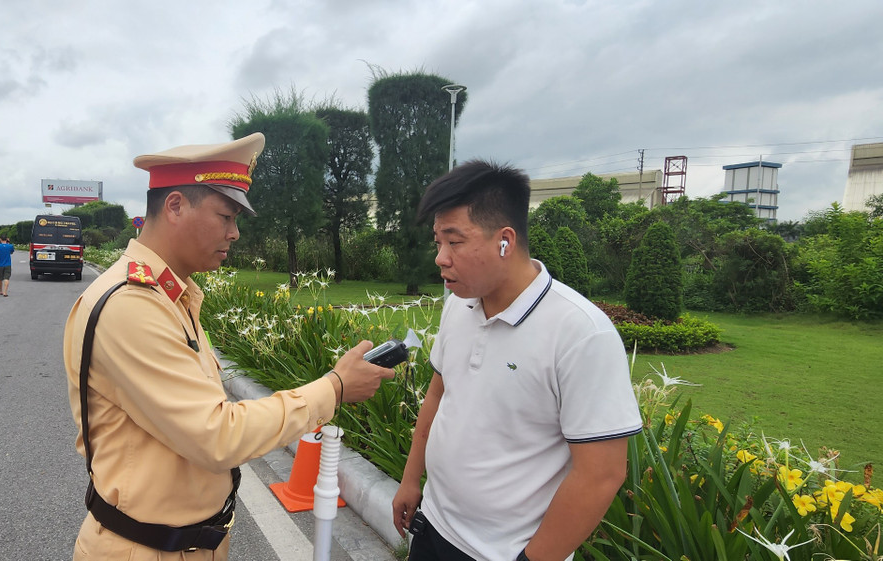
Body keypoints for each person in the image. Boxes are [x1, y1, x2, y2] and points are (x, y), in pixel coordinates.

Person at [63, 132, 395, 560]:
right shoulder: (132, 305)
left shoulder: (170, 295)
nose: (234, 233)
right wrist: (334, 388)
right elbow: (217, 435)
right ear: (176, 205)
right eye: (226, 216)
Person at [391, 161, 642, 561]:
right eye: (438, 241)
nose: (440, 258)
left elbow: (602, 475)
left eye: (454, 242)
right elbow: (439, 396)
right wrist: (409, 479)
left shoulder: (580, 333)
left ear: (504, 241)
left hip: (502, 553)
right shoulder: (459, 306)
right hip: (433, 527)